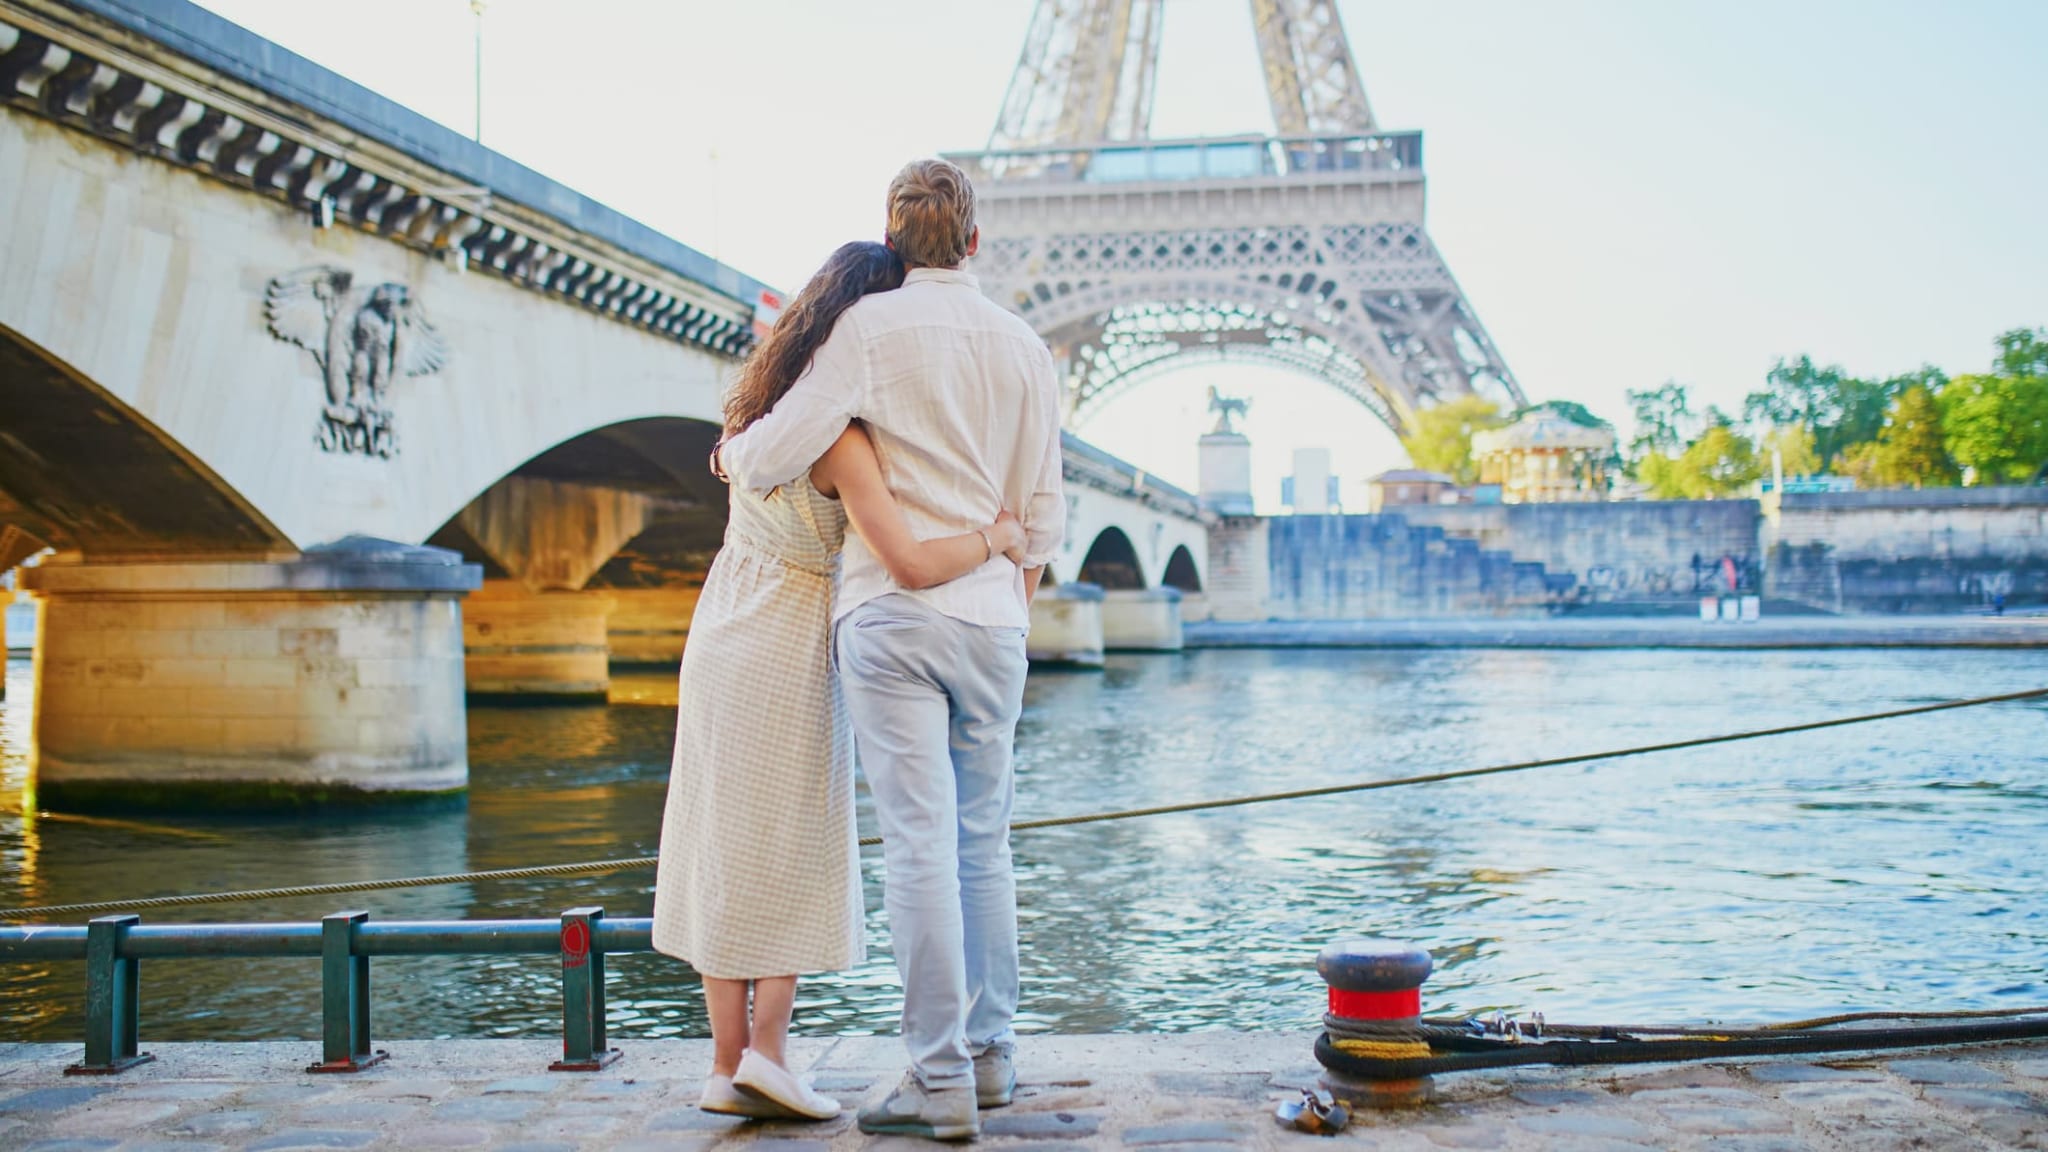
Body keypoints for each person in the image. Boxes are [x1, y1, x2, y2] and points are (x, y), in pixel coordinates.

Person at [717, 158, 1065, 1141]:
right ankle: (992, 1059)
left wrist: (733, 450)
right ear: (974, 241)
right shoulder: (1025, 347)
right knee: (984, 845)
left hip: (893, 616)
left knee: (918, 848)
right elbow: (1042, 519)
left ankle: (937, 1077)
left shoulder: (866, 330)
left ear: (891, 237)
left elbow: (771, 452)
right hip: (993, 618)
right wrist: (1007, 608)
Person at [651, 240, 1026, 1123]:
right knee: (790, 847)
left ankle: (723, 1065)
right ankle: (770, 1055)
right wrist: (998, 539)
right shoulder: (841, 440)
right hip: (789, 642)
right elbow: (908, 561)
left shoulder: (753, 422)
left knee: (719, 843)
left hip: (719, 627)